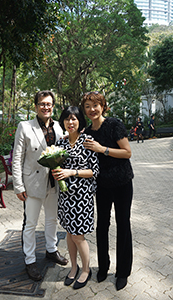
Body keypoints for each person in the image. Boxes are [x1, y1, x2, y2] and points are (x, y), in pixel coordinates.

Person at [12, 90, 68, 281]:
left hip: (53, 183)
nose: (46, 107)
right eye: (42, 104)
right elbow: (17, 158)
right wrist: (18, 186)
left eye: (49, 104)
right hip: (32, 184)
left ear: (53, 106)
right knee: (30, 224)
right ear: (36, 106)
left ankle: (51, 250)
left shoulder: (60, 128)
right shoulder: (25, 127)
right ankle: (30, 260)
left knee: (52, 219)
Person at [81, 91, 134, 291]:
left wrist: (102, 149)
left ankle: (123, 272)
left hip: (122, 183)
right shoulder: (86, 132)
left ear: (103, 106)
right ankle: (103, 267)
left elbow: (127, 152)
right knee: (102, 225)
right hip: (101, 185)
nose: (92, 109)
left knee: (123, 224)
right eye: (87, 106)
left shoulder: (114, 125)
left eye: (95, 105)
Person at [52, 106, 99, 290]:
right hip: (65, 197)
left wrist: (72, 172)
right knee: (70, 235)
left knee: (78, 236)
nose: (70, 122)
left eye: (74, 119)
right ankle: (74, 267)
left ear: (80, 121)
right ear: (63, 122)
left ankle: (86, 270)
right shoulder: (61, 143)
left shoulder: (88, 141)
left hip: (82, 197)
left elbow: (94, 171)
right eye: (66, 119)